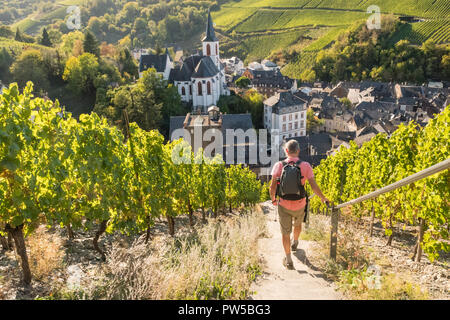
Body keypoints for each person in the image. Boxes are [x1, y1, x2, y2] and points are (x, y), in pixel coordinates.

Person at [269, 140, 329, 270]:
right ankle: (295, 242)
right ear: (298, 151)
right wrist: (323, 198)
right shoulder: (306, 166)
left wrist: (273, 199)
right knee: (298, 224)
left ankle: (289, 259)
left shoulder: (279, 165)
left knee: (285, 233)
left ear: (286, 151)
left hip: (284, 204)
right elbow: (314, 186)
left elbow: (272, 187)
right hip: (300, 204)